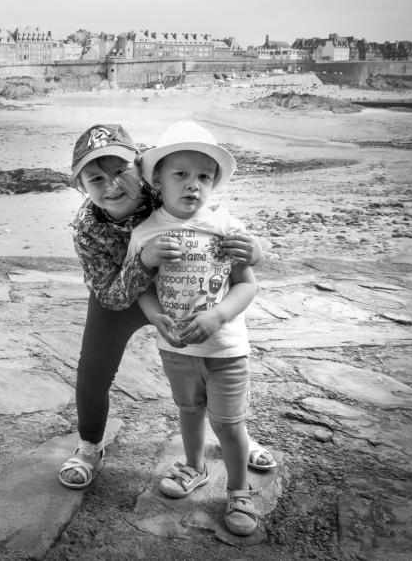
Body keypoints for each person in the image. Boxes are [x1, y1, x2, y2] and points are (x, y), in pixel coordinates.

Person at [58, 124, 271, 492]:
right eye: (95, 178)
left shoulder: (170, 186)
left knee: (218, 364)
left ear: (142, 168)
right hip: (124, 293)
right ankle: (91, 445)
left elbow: (219, 222)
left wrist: (257, 250)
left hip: (186, 290)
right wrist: (142, 263)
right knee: (93, 370)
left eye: (120, 170)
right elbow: (109, 295)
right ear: (81, 186)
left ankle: (236, 433)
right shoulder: (85, 226)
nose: (112, 185)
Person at [128, 120, 262, 536]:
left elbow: (245, 284)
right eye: (180, 175)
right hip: (177, 349)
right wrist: (154, 316)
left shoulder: (226, 229)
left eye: (204, 176)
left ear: (215, 183)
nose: (193, 185)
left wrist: (219, 315)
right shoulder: (145, 233)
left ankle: (239, 491)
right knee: (188, 411)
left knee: (229, 423)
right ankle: (194, 467)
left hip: (226, 349)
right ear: (158, 181)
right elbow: (140, 287)